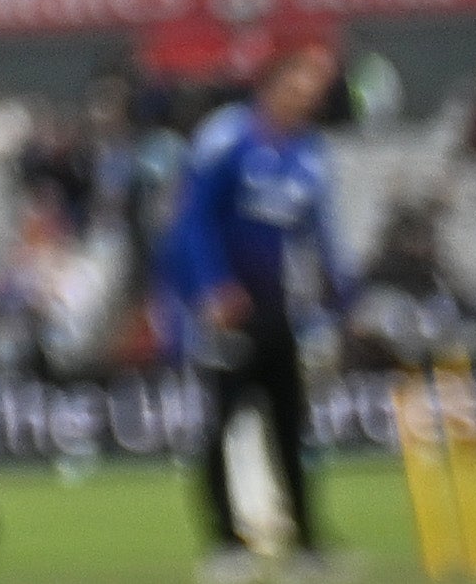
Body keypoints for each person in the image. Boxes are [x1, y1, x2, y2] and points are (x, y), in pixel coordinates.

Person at [162, 31, 349, 572]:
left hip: (282, 310)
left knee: (290, 426)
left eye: (314, 87)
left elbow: (320, 233)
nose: (307, 95)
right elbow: (191, 221)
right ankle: (227, 543)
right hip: (228, 310)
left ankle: (307, 542)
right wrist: (210, 287)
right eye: (299, 82)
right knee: (223, 423)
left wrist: (341, 295)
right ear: (273, 82)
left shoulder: (310, 152)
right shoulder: (226, 138)